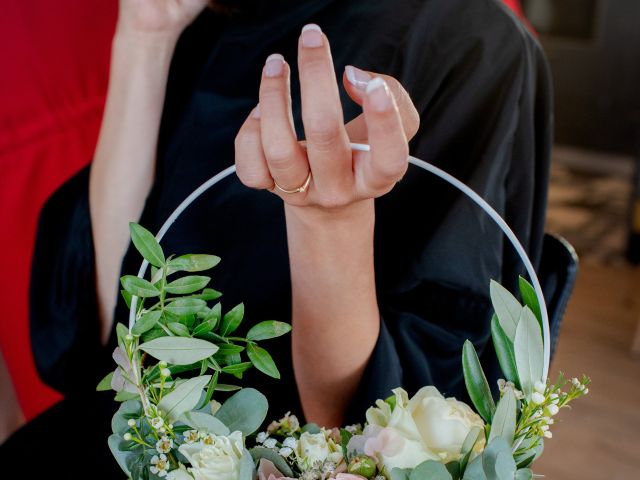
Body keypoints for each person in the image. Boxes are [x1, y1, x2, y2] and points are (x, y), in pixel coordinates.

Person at [1, 0, 551, 476]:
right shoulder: (200, 22)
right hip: (125, 446)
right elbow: (103, 340)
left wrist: (331, 225)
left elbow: (385, 442)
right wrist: (146, 34)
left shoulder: (469, 41)